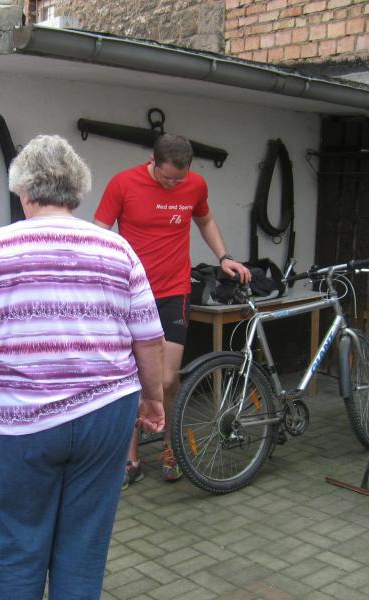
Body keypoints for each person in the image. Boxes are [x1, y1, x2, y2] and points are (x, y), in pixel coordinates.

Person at [0, 134, 165, 599]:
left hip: (23, 421)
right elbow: (149, 336)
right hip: (106, 414)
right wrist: (153, 397)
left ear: (23, 190)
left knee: (17, 546)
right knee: (83, 547)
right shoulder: (118, 249)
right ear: (76, 190)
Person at [94, 132, 252, 487]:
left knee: (166, 379)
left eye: (179, 179)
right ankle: (130, 458)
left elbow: (205, 220)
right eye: (167, 178)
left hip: (173, 291)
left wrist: (224, 257)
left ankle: (171, 446)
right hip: (132, 295)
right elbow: (100, 231)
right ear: (152, 159)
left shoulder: (195, 185)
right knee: (132, 378)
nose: (173, 184)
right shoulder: (123, 184)